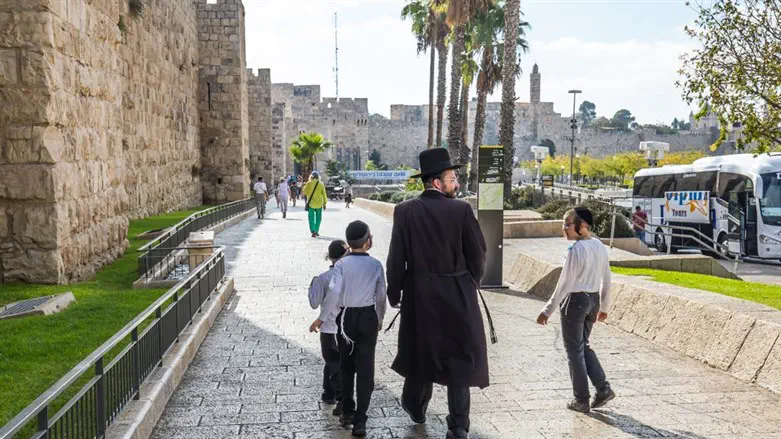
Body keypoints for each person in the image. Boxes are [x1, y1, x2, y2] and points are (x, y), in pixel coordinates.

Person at [386, 148, 489, 439]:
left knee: (422, 354)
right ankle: (458, 427)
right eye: (452, 178)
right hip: (458, 293)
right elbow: (478, 256)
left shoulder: (404, 211)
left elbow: (396, 260)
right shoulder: (462, 211)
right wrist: (471, 282)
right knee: (459, 359)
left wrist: (395, 294)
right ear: (436, 183)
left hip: (420, 295)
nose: (456, 183)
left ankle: (416, 407)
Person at [310, 221, 387, 437]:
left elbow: (334, 294)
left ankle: (347, 410)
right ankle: (360, 420)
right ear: (367, 241)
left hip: (346, 319)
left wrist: (321, 319)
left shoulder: (341, 265)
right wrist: (379, 318)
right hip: (368, 317)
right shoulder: (376, 265)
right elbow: (381, 296)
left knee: (346, 365)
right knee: (365, 369)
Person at [536, 207, 615, 414]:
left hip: (575, 302)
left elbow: (564, 284)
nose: (564, 228)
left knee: (574, 352)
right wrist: (604, 307)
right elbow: (606, 279)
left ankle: (581, 400)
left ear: (583, 226)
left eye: (568, 224)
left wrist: (547, 310)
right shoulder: (599, 246)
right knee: (583, 346)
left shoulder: (575, 250)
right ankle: (603, 388)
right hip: (593, 301)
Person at [308, 240, 349, 416]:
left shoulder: (323, 278)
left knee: (332, 362)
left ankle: (340, 398)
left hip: (328, 328)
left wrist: (313, 285)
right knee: (337, 363)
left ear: (330, 257)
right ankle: (329, 392)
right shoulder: (351, 277)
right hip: (347, 328)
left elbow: (313, 302)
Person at [303, 172, 328, 238]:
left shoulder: (309, 183)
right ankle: (316, 230)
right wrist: (325, 203)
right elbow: (324, 194)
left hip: (311, 203)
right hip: (319, 204)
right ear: (318, 177)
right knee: (318, 218)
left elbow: (304, 192)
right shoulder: (321, 184)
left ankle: (312, 230)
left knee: (311, 218)